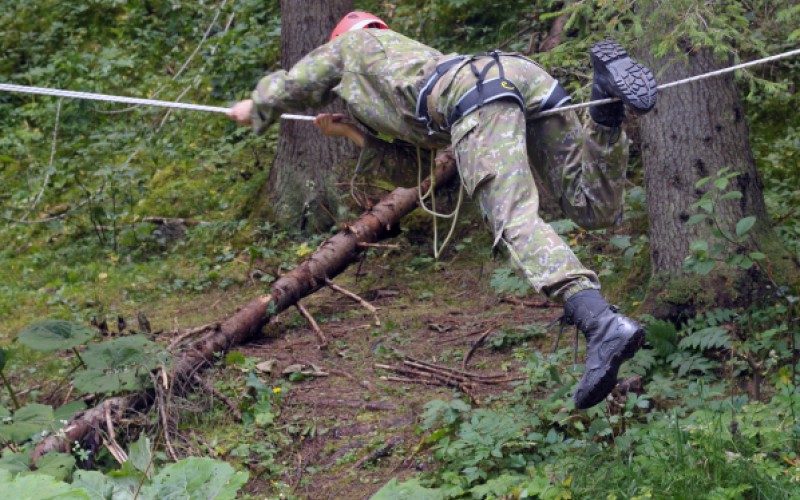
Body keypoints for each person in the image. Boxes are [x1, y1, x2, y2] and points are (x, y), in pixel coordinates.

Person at [228, 11, 658, 409]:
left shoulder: (350, 47)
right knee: (592, 208)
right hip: (520, 78)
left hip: (477, 94)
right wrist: (348, 131)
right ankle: (605, 106)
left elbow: (301, 78)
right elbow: (416, 170)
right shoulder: (410, 69)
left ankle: (601, 324)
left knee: (512, 219)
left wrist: (258, 105)